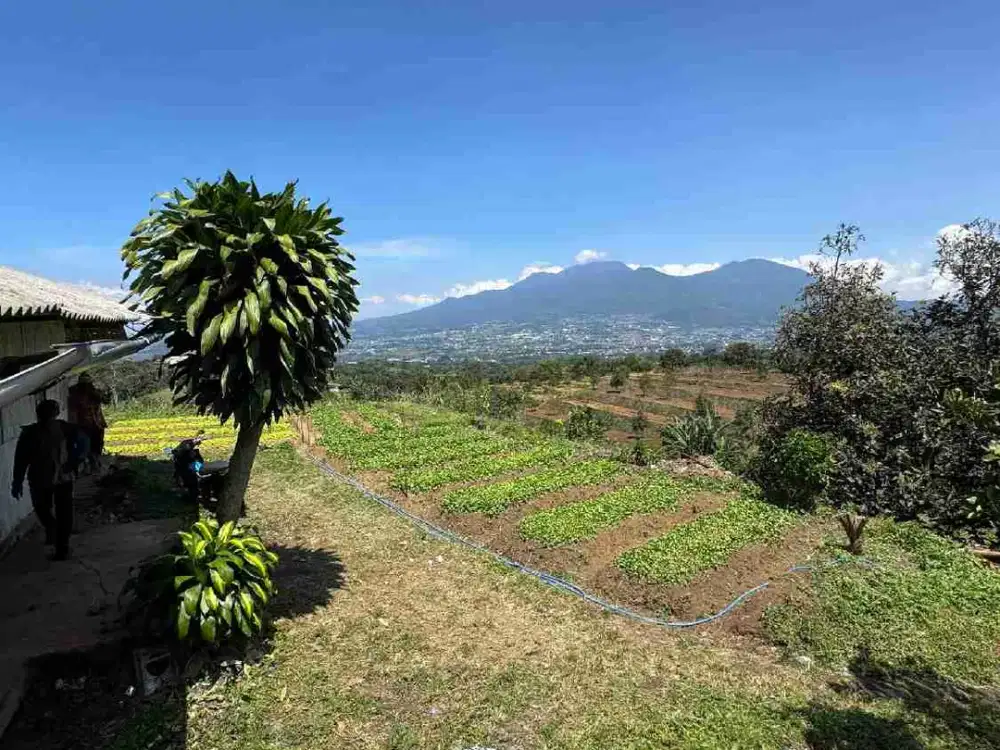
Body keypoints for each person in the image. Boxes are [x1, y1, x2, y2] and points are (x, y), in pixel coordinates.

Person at [10, 400, 89, 560]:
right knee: (47, 510)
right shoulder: (32, 432)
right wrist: (17, 481)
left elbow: (84, 443)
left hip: (58, 478)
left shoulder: (64, 428)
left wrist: (74, 461)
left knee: (58, 512)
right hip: (46, 478)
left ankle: (61, 547)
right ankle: (55, 535)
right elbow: (21, 459)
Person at [68, 372, 107, 469]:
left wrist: (95, 393)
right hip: (83, 425)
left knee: (97, 445)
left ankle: (95, 463)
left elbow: (105, 399)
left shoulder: (95, 393)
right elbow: (73, 410)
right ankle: (89, 464)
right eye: (84, 383)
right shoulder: (75, 394)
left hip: (97, 424)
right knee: (85, 447)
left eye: (87, 383)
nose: (86, 387)